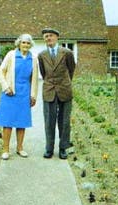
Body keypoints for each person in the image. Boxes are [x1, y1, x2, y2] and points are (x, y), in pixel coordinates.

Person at [0, 34, 39, 160]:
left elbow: (34, 79)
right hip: (10, 92)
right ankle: (5, 150)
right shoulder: (11, 55)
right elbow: (1, 72)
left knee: (22, 122)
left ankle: (20, 148)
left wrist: (33, 95)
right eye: (23, 42)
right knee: (7, 122)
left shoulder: (33, 58)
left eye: (28, 43)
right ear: (19, 43)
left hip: (24, 94)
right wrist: (5, 87)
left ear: (31, 45)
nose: (25, 45)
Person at [38, 28, 76, 159]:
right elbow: (44, 74)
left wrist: (64, 82)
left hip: (64, 89)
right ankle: (49, 148)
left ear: (57, 38)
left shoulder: (67, 53)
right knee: (49, 121)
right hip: (49, 90)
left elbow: (71, 70)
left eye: (51, 36)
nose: (48, 38)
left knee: (64, 121)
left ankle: (63, 148)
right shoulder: (42, 55)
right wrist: (51, 83)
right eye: (46, 36)